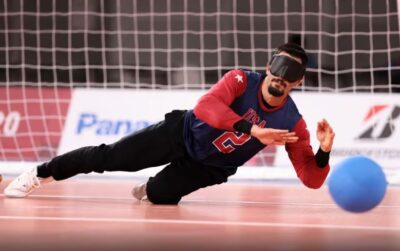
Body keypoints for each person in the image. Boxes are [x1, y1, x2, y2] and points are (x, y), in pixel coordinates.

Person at [4, 43, 335, 204]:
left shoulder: (293, 122)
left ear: (299, 82)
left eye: (290, 74)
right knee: (107, 157)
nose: (280, 78)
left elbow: (310, 178)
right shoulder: (239, 80)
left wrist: (323, 151)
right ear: (268, 66)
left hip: (210, 167)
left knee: (160, 196)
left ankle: (153, 187)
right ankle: (41, 172)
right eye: (278, 68)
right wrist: (252, 130)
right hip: (181, 134)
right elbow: (206, 107)